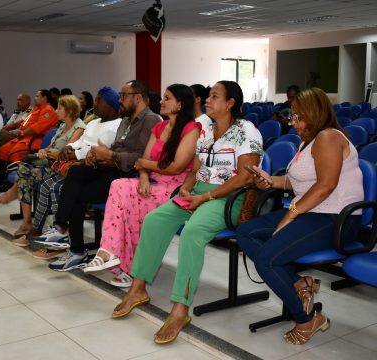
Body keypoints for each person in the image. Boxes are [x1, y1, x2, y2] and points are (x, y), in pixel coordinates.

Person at [112, 81, 263, 345]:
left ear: (230, 104)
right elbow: (195, 167)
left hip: (228, 197)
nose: (208, 100)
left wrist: (204, 196)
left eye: (215, 97)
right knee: (155, 220)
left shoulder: (246, 131)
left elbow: (244, 178)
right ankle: (137, 289)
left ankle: (180, 309)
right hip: (198, 191)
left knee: (192, 232)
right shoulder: (205, 127)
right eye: (208, 96)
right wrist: (187, 188)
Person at [236, 87, 363, 345]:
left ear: (315, 115)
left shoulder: (328, 137)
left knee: (267, 259)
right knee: (245, 231)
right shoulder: (308, 141)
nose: (294, 123)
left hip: (336, 218)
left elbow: (326, 185)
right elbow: (297, 183)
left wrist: (290, 215)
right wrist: (271, 181)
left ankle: (307, 319)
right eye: (292, 116)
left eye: (299, 117)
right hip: (311, 211)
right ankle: (299, 283)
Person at [31, 80, 160, 271]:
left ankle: (74, 248)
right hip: (111, 167)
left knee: (76, 195)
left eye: (123, 96)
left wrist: (110, 155)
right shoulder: (126, 120)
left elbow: (142, 157)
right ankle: (62, 231)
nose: (120, 100)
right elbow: (115, 148)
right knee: (76, 171)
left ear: (139, 97)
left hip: (128, 176)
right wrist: (97, 155)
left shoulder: (151, 120)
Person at [83, 84, 201, 288]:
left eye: (167, 98)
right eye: (163, 97)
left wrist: (144, 165)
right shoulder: (160, 127)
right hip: (153, 182)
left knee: (135, 204)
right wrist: (144, 177)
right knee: (119, 186)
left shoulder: (192, 129)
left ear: (180, 104)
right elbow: (143, 161)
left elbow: (176, 167)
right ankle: (108, 251)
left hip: (175, 188)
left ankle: (128, 267)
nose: (162, 101)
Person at [12, 88, 122, 260]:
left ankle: (63, 234)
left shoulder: (117, 125)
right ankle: (53, 231)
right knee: (49, 182)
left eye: (98, 101)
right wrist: (69, 147)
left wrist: (74, 153)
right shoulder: (93, 123)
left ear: (111, 105)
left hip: (96, 168)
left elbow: (99, 151)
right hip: (80, 166)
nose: (94, 104)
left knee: (59, 186)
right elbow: (80, 142)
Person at [0, 95, 86, 236]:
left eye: (59, 108)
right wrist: (44, 150)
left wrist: (47, 154)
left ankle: (31, 222)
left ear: (69, 111)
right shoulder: (62, 126)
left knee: (24, 171)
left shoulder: (79, 127)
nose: (56, 111)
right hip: (49, 162)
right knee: (24, 169)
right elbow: (52, 145)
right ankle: (28, 222)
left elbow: (67, 152)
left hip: (60, 166)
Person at [0, 89, 58, 191]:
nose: (35, 98)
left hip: (35, 140)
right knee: (3, 150)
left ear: (45, 98)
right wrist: (9, 128)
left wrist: (23, 132)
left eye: (37, 96)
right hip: (24, 137)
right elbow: (24, 122)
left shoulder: (48, 110)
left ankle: (12, 184)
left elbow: (38, 127)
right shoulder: (36, 109)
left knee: (14, 153)